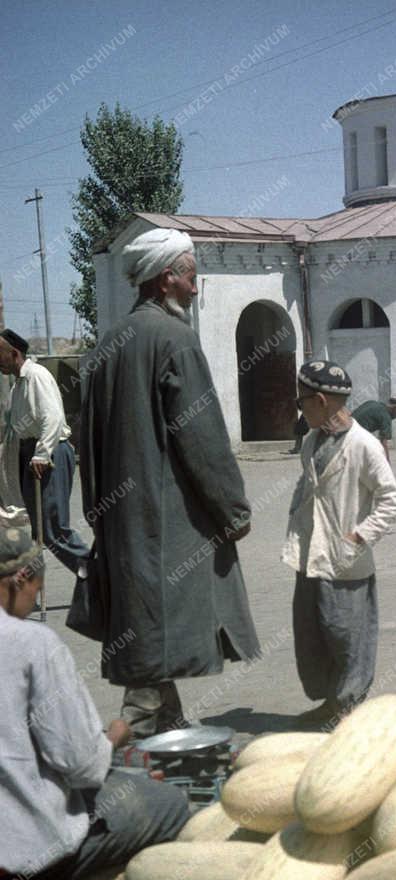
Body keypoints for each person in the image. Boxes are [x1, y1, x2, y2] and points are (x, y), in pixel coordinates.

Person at [78, 228, 260, 737]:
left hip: (122, 522)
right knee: (158, 629)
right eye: (191, 278)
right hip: (167, 521)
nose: (196, 289)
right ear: (166, 280)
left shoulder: (107, 347)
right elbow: (202, 439)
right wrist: (234, 510)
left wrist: (101, 517)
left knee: (143, 621)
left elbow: (86, 445)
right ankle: (128, 737)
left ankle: (167, 722)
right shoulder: (176, 340)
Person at [0, 523, 189, 880]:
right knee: (168, 804)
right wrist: (114, 736)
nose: (35, 601)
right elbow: (82, 767)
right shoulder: (33, 644)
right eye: (36, 590)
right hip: (18, 866)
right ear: (20, 580)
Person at [284, 362, 396, 725]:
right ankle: (329, 703)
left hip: (346, 559)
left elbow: (391, 499)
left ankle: (348, 706)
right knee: (312, 634)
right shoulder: (311, 441)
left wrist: (360, 535)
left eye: (303, 402)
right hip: (311, 552)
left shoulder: (364, 445)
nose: (300, 410)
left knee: (347, 637)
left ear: (320, 401)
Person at [0, 328, 90, 576]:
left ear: (14, 353)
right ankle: (31, 574)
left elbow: (52, 417)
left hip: (50, 453)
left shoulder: (37, 376)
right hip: (31, 454)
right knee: (40, 529)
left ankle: (94, 571)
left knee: (53, 530)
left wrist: (42, 454)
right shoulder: (17, 386)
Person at [352, 395, 396, 462]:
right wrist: (387, 462)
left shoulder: (372, 402)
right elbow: (383, 443)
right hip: (353, 436)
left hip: (345, 427)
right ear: (395, 407)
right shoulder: (386, 417)